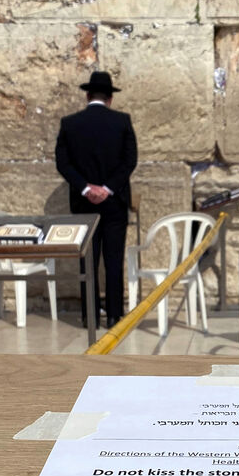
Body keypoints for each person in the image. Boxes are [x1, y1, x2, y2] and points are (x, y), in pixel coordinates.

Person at [55, 71, 138, 327]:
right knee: (114, 259)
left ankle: (89, 316)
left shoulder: (70, 123)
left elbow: (63, 163)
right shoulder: (122, 121)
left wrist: (85, 188)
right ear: (110, 98)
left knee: (88, 260)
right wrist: (108, 188)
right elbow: (129, 161)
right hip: (114, 203)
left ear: (88, 95)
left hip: (83, 204)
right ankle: (114, 315)